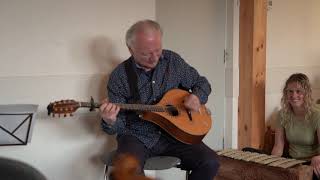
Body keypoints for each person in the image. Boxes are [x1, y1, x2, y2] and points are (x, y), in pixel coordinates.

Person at [99, 19, 219, 180]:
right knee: (128, 172)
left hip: (176, 134)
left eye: (158, 50)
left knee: (210, 162)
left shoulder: (172, 61)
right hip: (137, 135)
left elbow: (202, 83)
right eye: (146, 53)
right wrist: (110, 121)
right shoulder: (119, 77)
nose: (154, 57)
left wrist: (197, 96)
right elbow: (117, 127)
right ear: (130, 49)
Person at [271, 73, 320, 179]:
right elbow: (278, 147)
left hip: (312, 162)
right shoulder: (282, 114)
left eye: (299, 91)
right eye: (290, 91)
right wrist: (271, 165)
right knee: (247, 150)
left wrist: (318, 158)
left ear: (306, 93)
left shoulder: (317, 115)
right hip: (291, 161)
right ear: (286, 93)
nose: (294, 95)